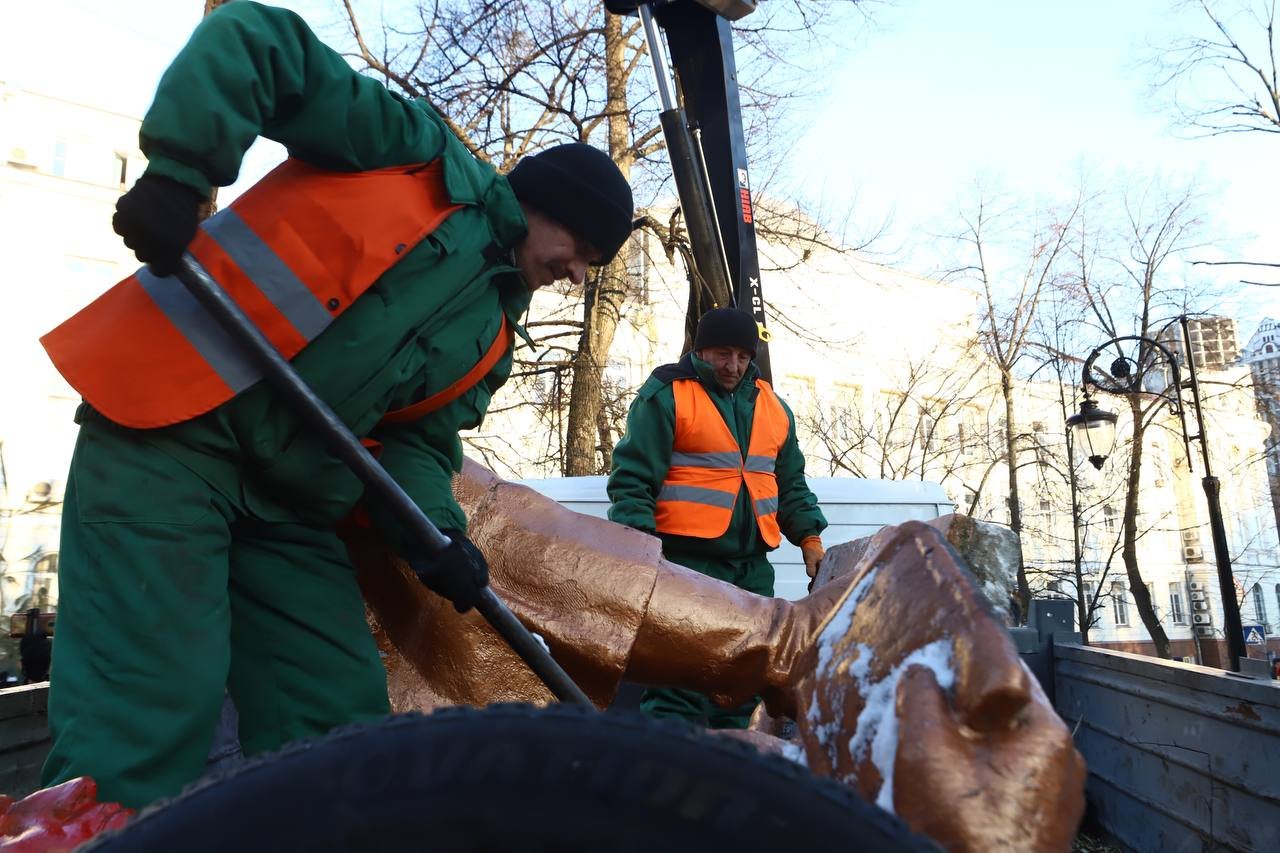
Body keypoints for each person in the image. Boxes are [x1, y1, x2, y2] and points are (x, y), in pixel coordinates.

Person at [37, 1, 632, 808]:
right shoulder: (413, 157)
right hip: (171, 429)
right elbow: (256, 39)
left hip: (288, 501)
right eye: (583, 253)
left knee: (335, 714)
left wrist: (439, 538)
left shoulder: (492, 337)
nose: (575, 275)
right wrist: (181, 169)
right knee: (147, 706)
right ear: (552, 208)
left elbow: (418, 447)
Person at [606, 307, 827, 728]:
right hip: (685, 566)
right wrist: (641, 551)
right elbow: (632, 480)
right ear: (700, 350)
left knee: (744, 690)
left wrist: (810, 539)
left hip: (751, 571)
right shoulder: (668, 393)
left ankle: (734, 780)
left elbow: (790, 484)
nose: (733, 366)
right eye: (723, 354)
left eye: (743, 357)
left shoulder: (773, 407)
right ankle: (670, 780)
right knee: (679, 686)